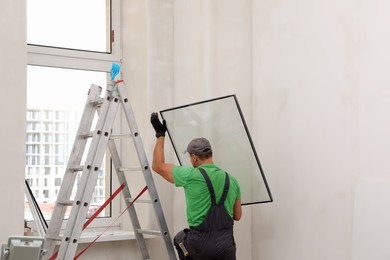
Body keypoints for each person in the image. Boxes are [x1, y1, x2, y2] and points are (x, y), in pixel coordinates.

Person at [150, 112, 242, 260]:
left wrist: (160, 134)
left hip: (201, 247)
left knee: (179, 238)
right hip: (227, 249)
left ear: (194, 157)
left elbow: (157, 165)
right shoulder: (232, 180)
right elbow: (237, 216)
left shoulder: (191, 175)